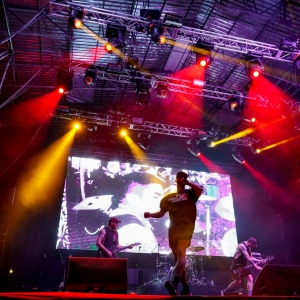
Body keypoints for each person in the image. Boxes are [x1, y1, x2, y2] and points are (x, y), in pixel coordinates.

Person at [144, 171, 203, 296]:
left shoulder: (190, 193)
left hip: (186, 228)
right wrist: (150, 214)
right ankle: (185, 288)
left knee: (181, 253)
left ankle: (174, 282)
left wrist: (186, 182)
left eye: (185, 178)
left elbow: (199, 190)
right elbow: (161, 213)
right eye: (180, 178)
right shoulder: (168, 198)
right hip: (173, 230)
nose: (183, 179)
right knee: (179, 261)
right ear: (175, 180)